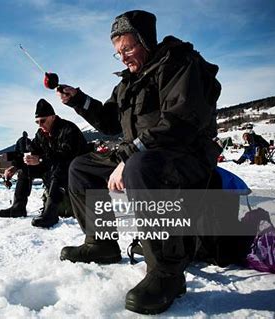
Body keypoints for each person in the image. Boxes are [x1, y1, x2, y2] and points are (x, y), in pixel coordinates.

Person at [56, 10, 222, 315]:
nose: (122, 58)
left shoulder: (180, 64)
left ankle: (167, 272)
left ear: (146, 41)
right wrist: (79, 100)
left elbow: (181, 121)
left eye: (128, 49)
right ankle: (102, 243)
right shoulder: (128, 83)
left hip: (187, 157)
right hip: (146, 155)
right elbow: (108, 121)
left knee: (139, 167)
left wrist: (131, 155)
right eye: (118, 53)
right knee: (82, 167)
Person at [0, 98, 88, 228]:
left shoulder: (68, 129)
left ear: (53, 117)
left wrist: (40, 160)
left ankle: (50, 214)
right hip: (53, 168)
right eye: (37, 122)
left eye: (43, 121)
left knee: (59, 169)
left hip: (75, 170)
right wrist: (15, 166)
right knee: (25, 170)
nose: (40, 125)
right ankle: (18, 207)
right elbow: (32, 151)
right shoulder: (41, 134)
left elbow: (66, 157)